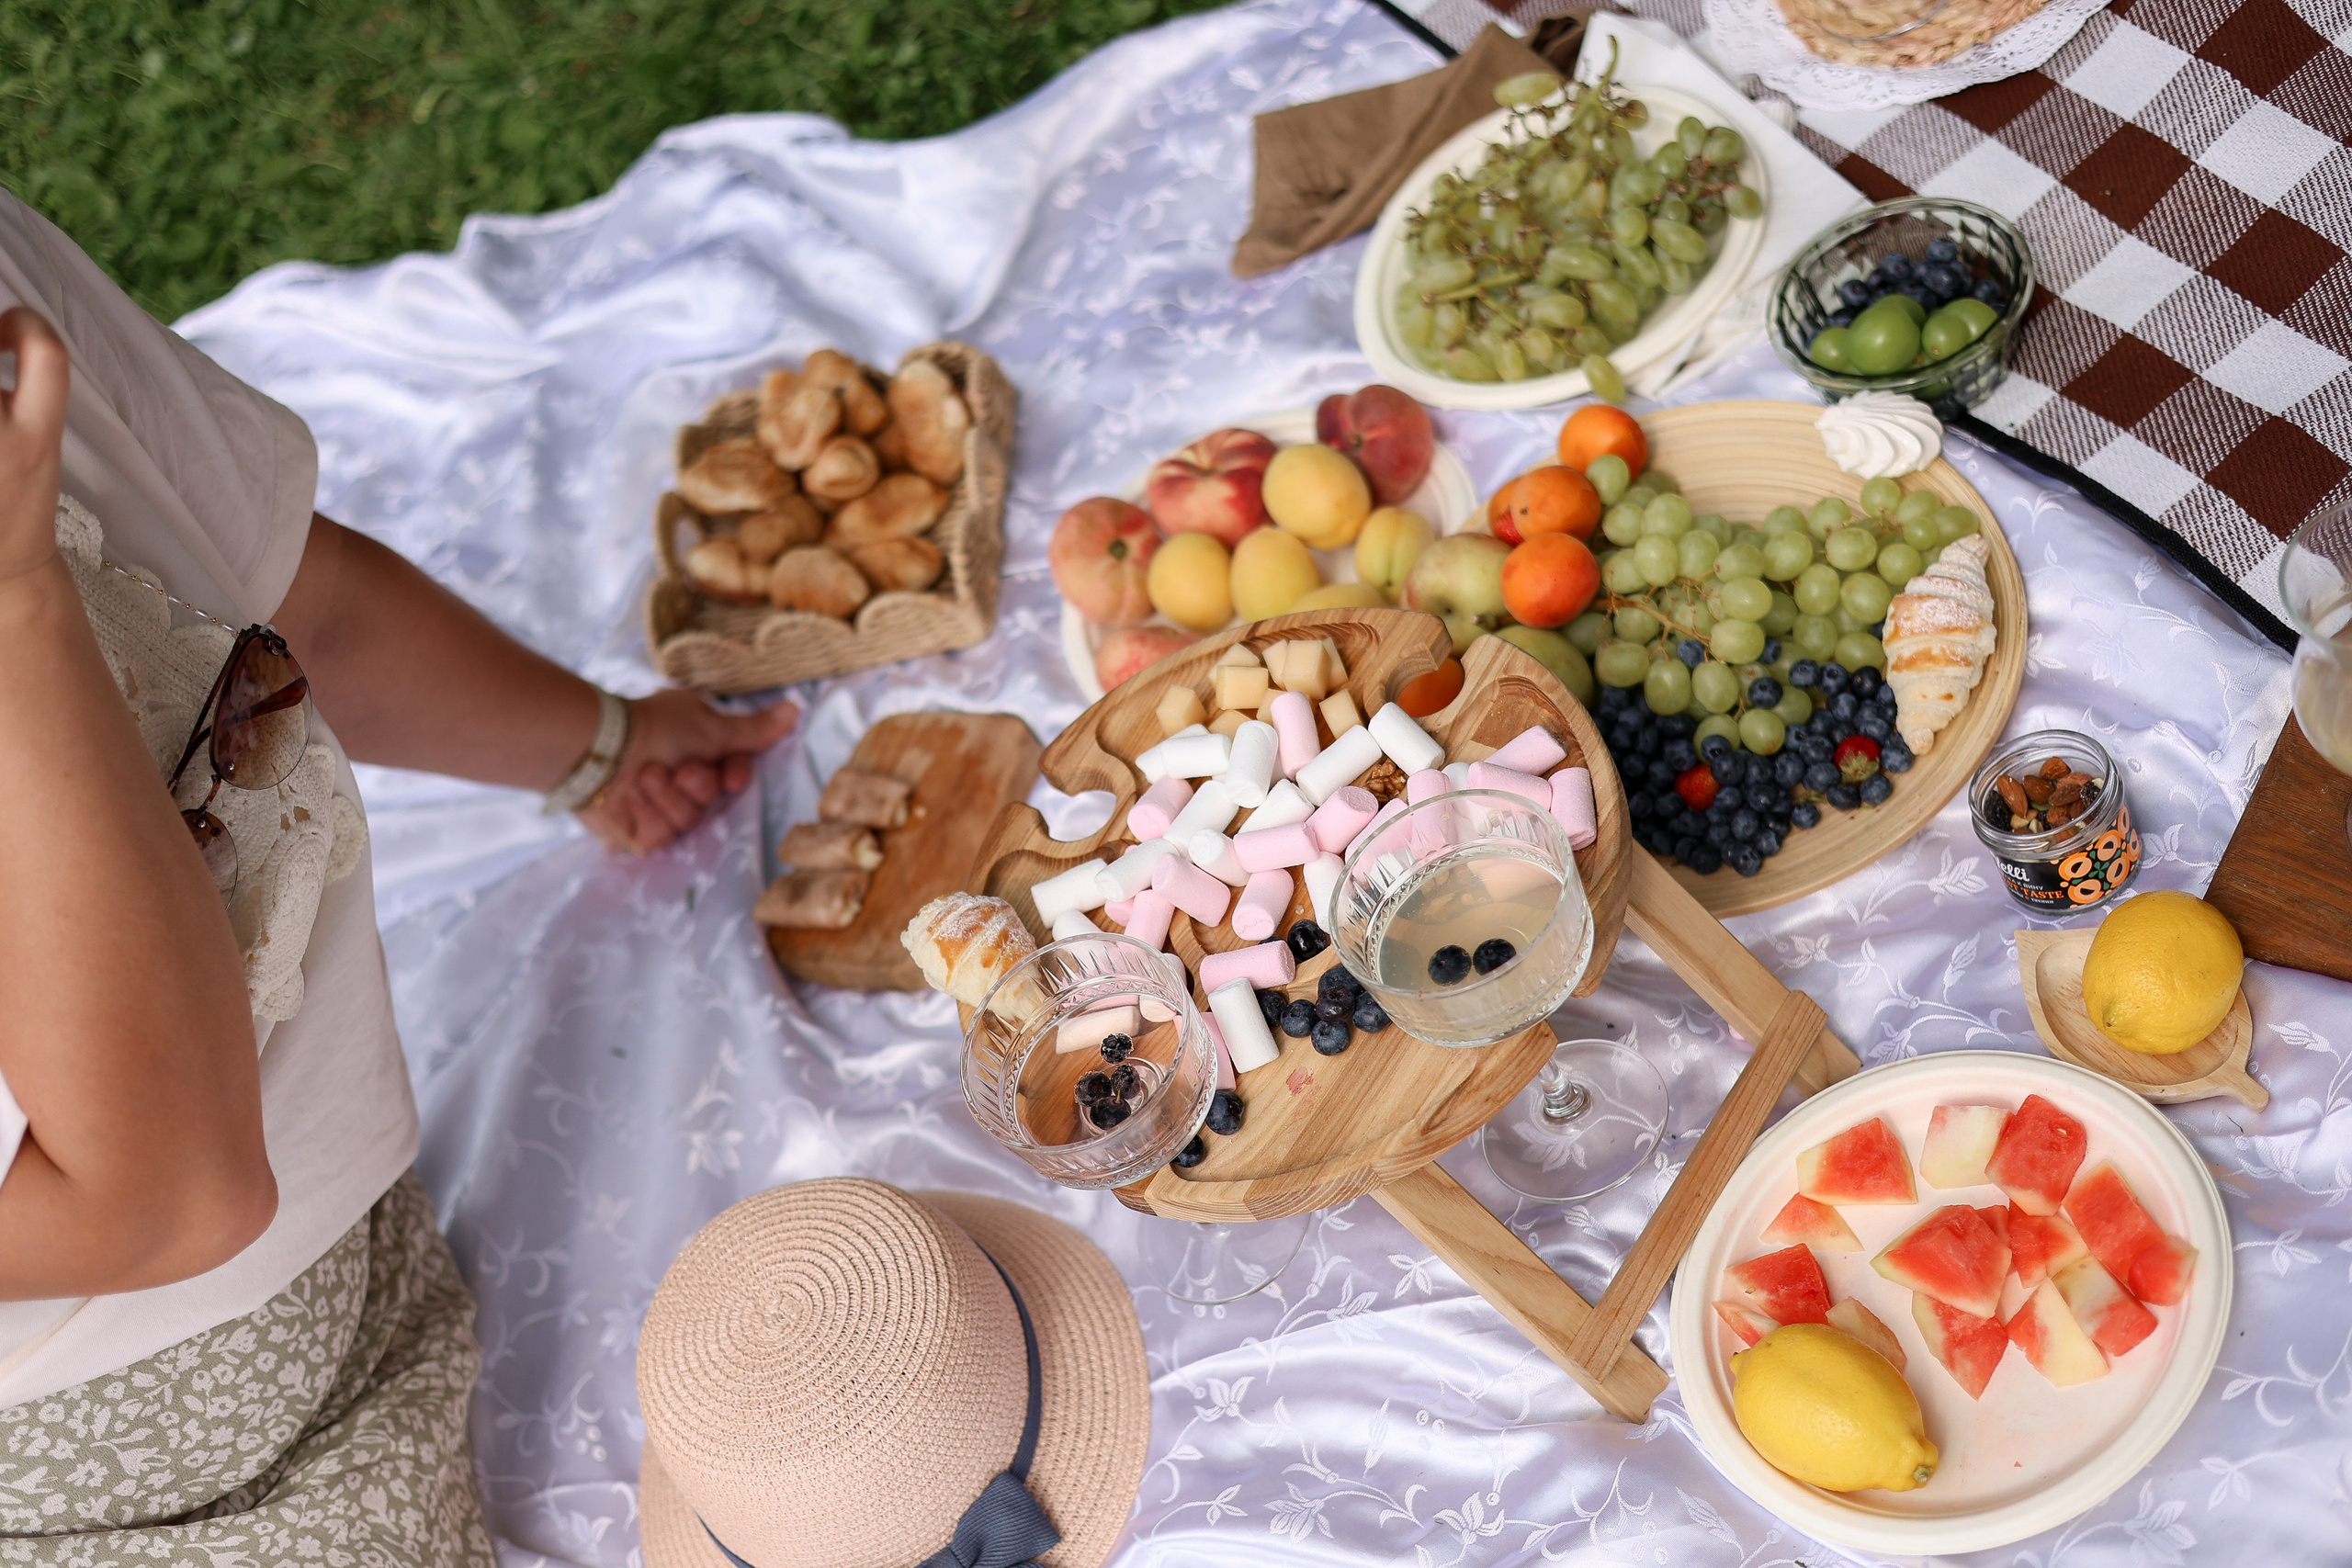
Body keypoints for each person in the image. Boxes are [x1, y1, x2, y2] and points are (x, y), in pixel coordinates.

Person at [0, 190, 793, 1558]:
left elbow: (284, 611)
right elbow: (171, 1194)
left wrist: (597, 749)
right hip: (113, 1485)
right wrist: (15, 609)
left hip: (355, 1254)